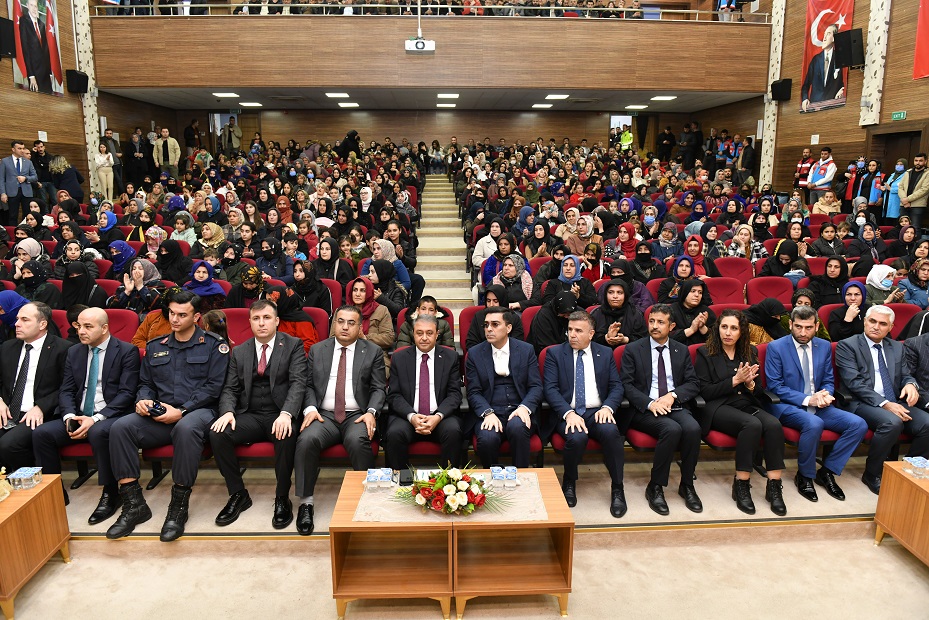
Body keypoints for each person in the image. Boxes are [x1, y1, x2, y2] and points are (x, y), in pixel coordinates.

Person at [106, 290, 229, 542]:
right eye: (172, 313)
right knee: (120, 428)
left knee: (185, 428)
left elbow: (214, 387)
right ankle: (134, 505)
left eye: (182, 315)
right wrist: (143, 400)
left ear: (196, 317)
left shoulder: (215, 345)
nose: (174, 319)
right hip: (161, 413)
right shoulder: (155, 346)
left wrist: (182, 411)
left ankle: (178, 507)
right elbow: (145, 383)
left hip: (199, 412)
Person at [31, 308, 140, 522]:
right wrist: (69, 416)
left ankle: (111, 492)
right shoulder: (75, 352)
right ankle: (53, 493)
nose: (81, 331)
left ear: (105, 328)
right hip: (79, 414)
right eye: (79, 326)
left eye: (88, 327)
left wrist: (96, 418)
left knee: (99, 432)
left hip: (110, 415)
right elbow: (67, 390)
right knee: (42, 434)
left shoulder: (127, 351)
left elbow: (127, 394)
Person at [210, 300, 306, 529]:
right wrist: (227, 412)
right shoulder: (240, 351)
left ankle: (282, 497)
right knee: (217, 433)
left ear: (277, 321)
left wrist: (287, 414)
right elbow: (230, 388)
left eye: (266, 318)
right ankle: (237, 494)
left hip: (279, 412)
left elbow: (298, 383)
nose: (261, 323)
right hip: (250, 414)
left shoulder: (293, 345)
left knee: (287, 433)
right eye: (256, 319)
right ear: (250, 322)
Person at [294, 305, 387, 536]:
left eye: (351, 323)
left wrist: (371, 412)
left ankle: (368, 499)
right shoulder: (318, 350)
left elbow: (378, 388)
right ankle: (306, 503)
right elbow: (307, 385)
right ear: (334, 323)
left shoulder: (372, 351)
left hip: (356, 415)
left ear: (360, 326)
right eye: (340, 321)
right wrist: (310, 409)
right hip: (323, 415)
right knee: (306, 440)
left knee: (358, 442)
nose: (345, 327)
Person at [765, 306, 868, 502]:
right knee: (814, 424)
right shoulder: (776, 347)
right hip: (788, 406)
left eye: (808, 327)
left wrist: (826, 394)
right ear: (790, 325)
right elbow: (775, 386)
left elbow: (828, 380)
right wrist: (807, 399)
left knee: (858, 424)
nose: (803, 333)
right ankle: (805, 476)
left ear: (816, 326)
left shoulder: (823, 346)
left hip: (819, 404)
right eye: (798, 327)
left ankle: (827, 471)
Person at [695, 309, 787, 516]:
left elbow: (760, 390)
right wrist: (734, 381)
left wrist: (751, 384)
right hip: (717, 406)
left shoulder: (749, 353)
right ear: (717, 329)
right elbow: (703, 391)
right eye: (724, 327)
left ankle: (774, 486)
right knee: (752, 425)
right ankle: (742, 484)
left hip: (745, 403)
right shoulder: (705, 352)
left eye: (734, 328)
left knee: (773, 425)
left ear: (741, 331)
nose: (728, 332)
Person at [836, 305, 929, 495]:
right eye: (872, 321)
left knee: (927, 424)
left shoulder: (896, 347)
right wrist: (885, 404)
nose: (876, 327)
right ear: (864, 321)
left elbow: (906, 374)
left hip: (894, 400)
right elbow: (854, 383)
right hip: (861, 402)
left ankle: (904, 471)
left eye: (882, 324)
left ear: (891, 327)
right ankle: (872, 473)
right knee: (892, 422)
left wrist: (911, 384)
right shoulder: (848, 345)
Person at [620, 303, 703, 515]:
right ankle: (655, 486)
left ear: (672, 326)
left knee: (693, 429)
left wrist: (672, 396)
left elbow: (693, 383)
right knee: (672, 430)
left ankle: (687, 484)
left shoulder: (680, 350)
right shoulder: (633, 349)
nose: (655, 326)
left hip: (673, 405)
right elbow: (626, 385)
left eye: (660, 322)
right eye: (652, 321)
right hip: (644, 409)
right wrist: (650, 403)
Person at [543, 311, 626, 517]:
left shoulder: (605, 353)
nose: (572, 335)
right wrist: (568, 413)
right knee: (576, 436)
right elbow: (550, 389)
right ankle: (569, 481)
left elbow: (616, 387)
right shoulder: (555, 354)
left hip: (597, 411)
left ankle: (617, 487)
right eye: (570, 330)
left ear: (591, 333)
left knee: (611, 432)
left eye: (578, 331)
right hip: (568, 413)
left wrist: (607, 407)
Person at [466, 307, 542, 468]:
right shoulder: (474, 353)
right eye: (486, 325)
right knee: (487, 438)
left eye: (495, 324)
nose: (489, 329)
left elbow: (535, 386)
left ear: (508, 328)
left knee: (517, 427)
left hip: (518, 407)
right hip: (490, 409)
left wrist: (524, 408)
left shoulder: (525, 350)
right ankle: (493, 480)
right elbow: (473, 392)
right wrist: (487, 412)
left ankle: (521, 475)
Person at [0, 302, 72, 473]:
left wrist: (42, 406)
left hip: (41, 413)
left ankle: (39, 488)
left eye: (25, 320)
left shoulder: (63, 349)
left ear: (42, 324)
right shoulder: (7, 348)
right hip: (8, 411)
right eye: (17, 319)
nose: (17, 324)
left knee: (8, 445)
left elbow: (67, 387)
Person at [385, 314, 462, 470]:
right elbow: (394, 395)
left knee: (453, 431)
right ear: (413, 334)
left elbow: (455, 394)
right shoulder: (399, 358)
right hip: (409, 417)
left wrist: (437, 416)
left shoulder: (450, 357)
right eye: (419, 333)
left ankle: (449, 483)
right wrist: (412, 416)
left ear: (437, 334)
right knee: (394, 433)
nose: (424, 338)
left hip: (439, 416)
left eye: (429, 333)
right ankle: (402, 481)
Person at [590, 278, 647, 348]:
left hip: (629, 354)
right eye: (611, 292)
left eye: (619, 292)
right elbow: (588, 338)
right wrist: (606, 337)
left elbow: (643, 339)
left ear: (625, 295)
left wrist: (625, 340)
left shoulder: (635, 313)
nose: (615, 296)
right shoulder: (596, 314)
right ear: (605, 294)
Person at [800, 24, 845, 112]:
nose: (824, 38)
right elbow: (805, 85)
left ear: (834, 38)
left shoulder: (839, 58)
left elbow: (842, 82)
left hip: (832, 108)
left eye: (828, 34)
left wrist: (841, 90)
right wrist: (805, 99)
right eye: (824, 34)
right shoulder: (815, 60)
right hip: (814, 108)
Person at [18, 0, 55, 93]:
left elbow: (46, 50)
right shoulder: (24, 21)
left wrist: (50, 73)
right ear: (27, 6)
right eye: (32, 5)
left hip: (46, 73)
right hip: (35, 72)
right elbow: (25, 49)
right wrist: (31, 76)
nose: (34, 9)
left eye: (36, 6)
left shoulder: (41, 24)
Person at [0, 141, 39, 226]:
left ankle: (26, 232)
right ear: (13, 149)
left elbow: (35, 177)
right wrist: (3, 193)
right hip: (11, 192)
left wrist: (26, 178)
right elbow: (1, 178)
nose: (22, 150)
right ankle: (13, 235)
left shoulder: (28, 162)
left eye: (23, 148)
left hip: (26, 192)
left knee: (27, 215)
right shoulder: (5, 161)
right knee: (12, 215)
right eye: (19, 148)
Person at [669, 280, 716, 346]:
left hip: (703, 352)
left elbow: (716, 339)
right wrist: (691, 330)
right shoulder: (671, 310)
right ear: (685, 292)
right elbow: (664, 337)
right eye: (693, 291)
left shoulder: (706, 312)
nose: (697, 295)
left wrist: (703, 328)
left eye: (700, 292)